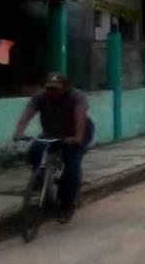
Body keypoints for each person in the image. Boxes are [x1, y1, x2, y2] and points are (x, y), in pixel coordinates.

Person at [12, 72, 95, 218]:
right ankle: (39, 177)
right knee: (36, 149)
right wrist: (19, 132)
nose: (51, 92)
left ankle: (66, 206)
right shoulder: (40, 97)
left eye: (56, 89)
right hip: (52, 133)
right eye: (49, 88)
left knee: (72, 169)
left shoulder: (77, 96)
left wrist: (77, 137)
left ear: (65, 88)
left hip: (76, 133)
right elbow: (27, 114)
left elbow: (80, 117)